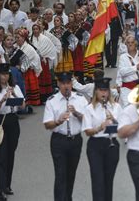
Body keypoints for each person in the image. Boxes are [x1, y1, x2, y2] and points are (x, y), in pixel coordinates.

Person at [43, 72, 88, 201]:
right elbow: (47, 125)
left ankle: (68, 198)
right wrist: (58, 121)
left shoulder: (80, 99)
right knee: (60, 175)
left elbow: (88, 120)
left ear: (71, 84)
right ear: (58, 84)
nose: (66, 86)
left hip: (75, 141)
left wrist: (77, 113)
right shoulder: (52, 101)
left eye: (68, 83)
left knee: (71, 174)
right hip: (59, 141)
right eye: (63, 84)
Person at [0, 63, 25, 201]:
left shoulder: (15, 87)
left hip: (12, 122)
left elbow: (23, 106)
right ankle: (0, 189)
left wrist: (13, 93)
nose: (5, 76)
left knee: (10, 155)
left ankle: (7, 185)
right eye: (3, 74)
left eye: (7, 74)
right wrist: (3, 99)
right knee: (0, 157)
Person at [83, 77, 122, 201]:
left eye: (106, 90)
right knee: (98, 180)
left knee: (108, 180)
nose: (103, 93)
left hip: (112, 145)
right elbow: (87, 131)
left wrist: (114, 120)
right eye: (101, 90)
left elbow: (122, 129)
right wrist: (100, 127)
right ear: (96, 91)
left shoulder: (116, 107)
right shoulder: (89, 108)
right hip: (95, 145)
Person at [116, 35, 139, 106]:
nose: (130, 44)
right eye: (128, 42)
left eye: (132, 42)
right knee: (128, 110)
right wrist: (136, 68)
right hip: (127, 89)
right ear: (126, 44)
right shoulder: (123, 57)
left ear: (136, 43)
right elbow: (122, 72)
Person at [30, 24, 56, 104]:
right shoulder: (30, 40)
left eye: (36, 29)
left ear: (39, 30)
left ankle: (46, 97)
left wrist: (45, 56)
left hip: (44, 62)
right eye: (33, 29)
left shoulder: (45, 39)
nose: (35, 31)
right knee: (37, 79)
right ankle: (39, 98)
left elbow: (51, 48)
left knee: (44, 79)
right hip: (35, 62)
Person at [15, 28, 42, 106]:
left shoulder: (28, 48)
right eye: (16, 37)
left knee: (28, 87)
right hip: (23, 69)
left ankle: (29, 103)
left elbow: (26, 64)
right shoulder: (18, 46)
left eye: (18, 37)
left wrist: (20, 68)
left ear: (23, 38)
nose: (16, 39)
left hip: (29, 70)